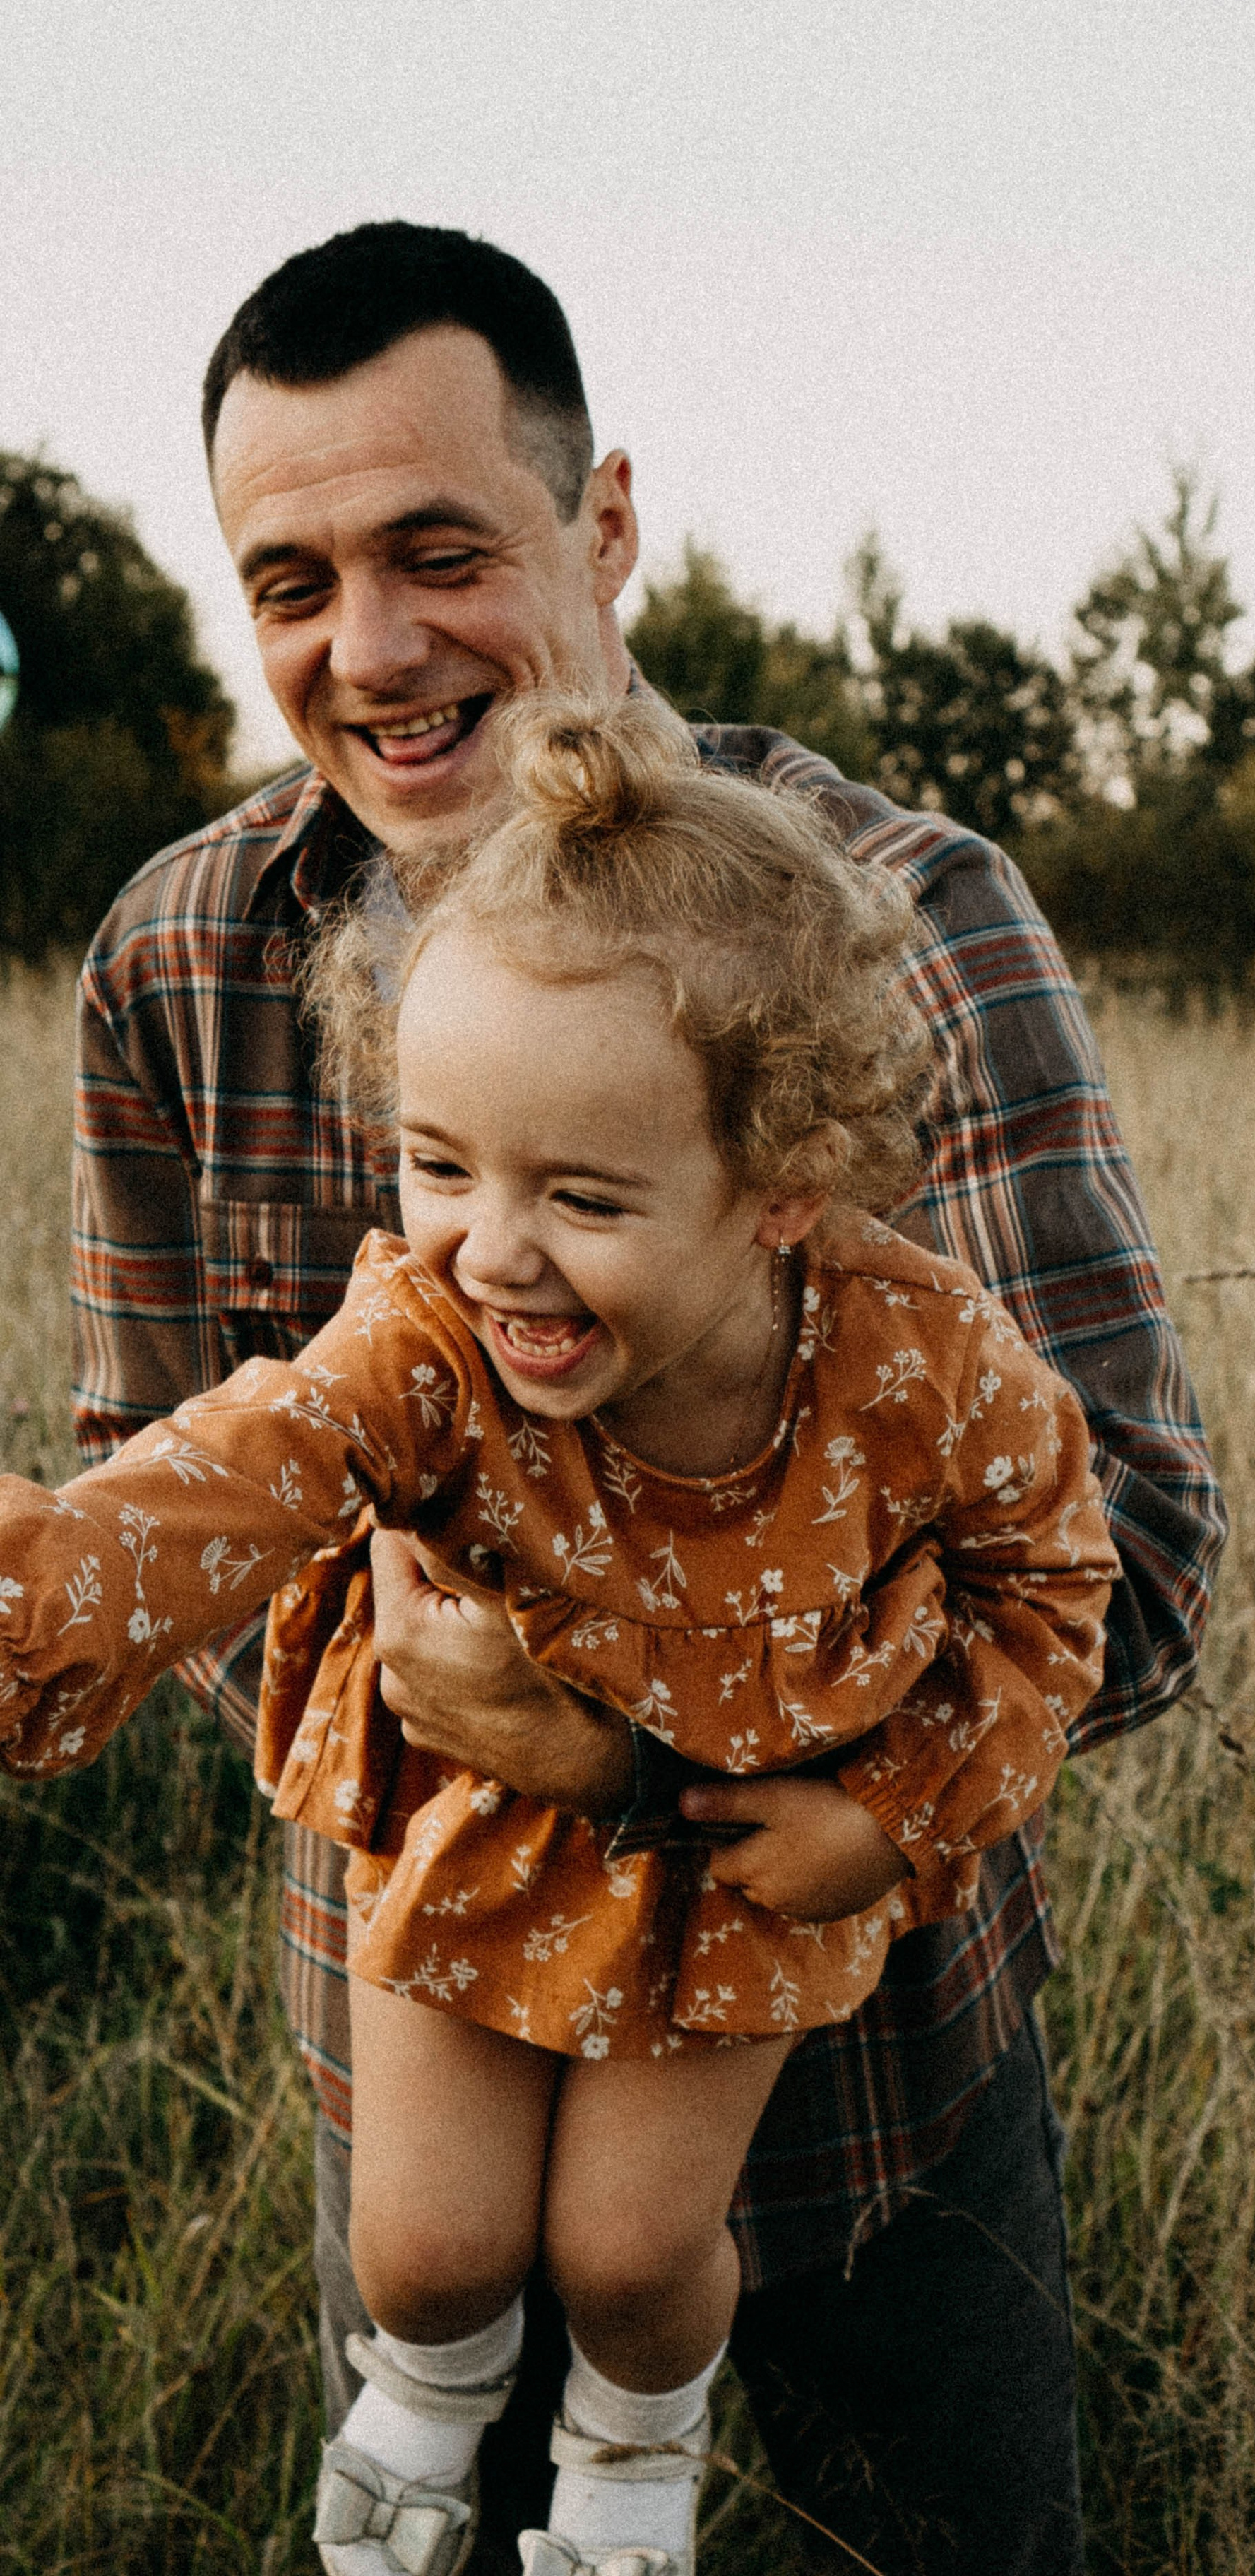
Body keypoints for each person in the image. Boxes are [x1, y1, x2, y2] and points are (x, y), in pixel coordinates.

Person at [71, 221, 1227, 2575]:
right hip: (427, 2074)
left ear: (600, 528)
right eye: (289, 578)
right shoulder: (177, 959)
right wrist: (387, 1715)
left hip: (878, 2082)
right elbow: (154, 1493)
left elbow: (1144, 1565)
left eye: (436, 550)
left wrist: (631, 1756)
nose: (368, 651)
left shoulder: (900, 925)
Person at [5, 690, 1119, 2575]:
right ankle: (427, 2423)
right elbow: (245, 1461)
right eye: (442, 1165)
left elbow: (1063, 1589)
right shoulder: (435, 1330)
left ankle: (632, 2454)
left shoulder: (916, 1367)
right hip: (475, 1824)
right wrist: (47, 1584)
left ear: (778, 1183)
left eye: (582, 1197)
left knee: (627, 2258)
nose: (492, 1250)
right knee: (421, 2255)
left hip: (750, 1860)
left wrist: (900, 1813)